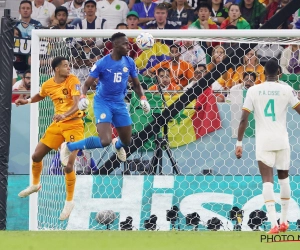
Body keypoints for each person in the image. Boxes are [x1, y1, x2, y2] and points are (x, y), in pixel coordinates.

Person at [60, 32, 150, 165]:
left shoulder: (129, 62)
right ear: (115, 45)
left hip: (120, 103)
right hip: (103, 103)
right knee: (104, 141)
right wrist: (82, 97)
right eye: (125, 44)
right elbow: (86, 84)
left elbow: (136, 84)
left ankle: (117, 145)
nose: (128, 46)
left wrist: (143, 98)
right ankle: (69, 146)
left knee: (126, 141)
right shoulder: (102, 63)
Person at [235, 59, 300, 234]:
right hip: (282, 140)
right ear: (279, 72)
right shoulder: (286, 89)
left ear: (263, 73)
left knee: (267, 181)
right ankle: (284, 221)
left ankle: (273, 224)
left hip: (263, 141)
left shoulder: (253, 90)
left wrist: (239, 143)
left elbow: (243, 119)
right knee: (284, 179)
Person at [16, 56, 85, 221]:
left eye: (69, 65)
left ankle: (69, 201)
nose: (69, 68)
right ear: (56, 69)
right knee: (36, 156)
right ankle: (35, 184)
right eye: (66, 66)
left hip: (74, 124)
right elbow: (41, 95)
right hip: (58, 125)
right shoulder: (48, 84)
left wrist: (64, 114)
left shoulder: (72, 80)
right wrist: (27, 101)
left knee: (68, 166)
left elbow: (76, 104)